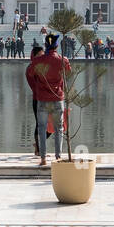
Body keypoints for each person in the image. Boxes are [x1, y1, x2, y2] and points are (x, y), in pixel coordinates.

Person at [28, 33, 70, 166]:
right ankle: (58, 157)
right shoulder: (63, 60)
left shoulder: (38, 61)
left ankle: (43, 158)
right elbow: (68, 73)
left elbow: (30, 72)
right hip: (58, 98)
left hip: (42, 99)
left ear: (46, 45)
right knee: (59, 129)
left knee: (41, 128)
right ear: (57, 46)